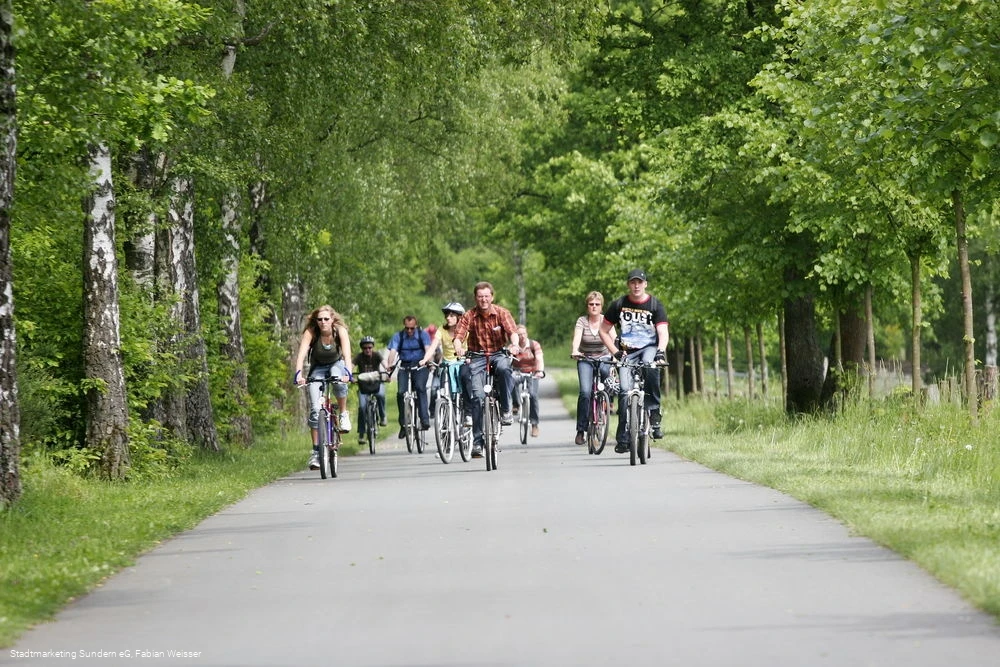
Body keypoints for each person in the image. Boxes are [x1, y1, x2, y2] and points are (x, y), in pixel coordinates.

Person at [599, 269, 669, 453]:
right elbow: (603, 330)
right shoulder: (619, 304)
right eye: (633, 282)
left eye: (640, 282)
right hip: (626, 352)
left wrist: (660, 352)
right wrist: (615, 352)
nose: (636, 285)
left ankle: (654, 412)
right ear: (628, 284)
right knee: (623, 391)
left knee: (650, 365)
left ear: (645, 284)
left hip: (649, 348)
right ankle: (623, 438)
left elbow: (663, 332)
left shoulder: (655, 304)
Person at [452, 282, 520, 458]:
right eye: (480, 296)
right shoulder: (469, 315)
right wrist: (459, 347)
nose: (483, 299)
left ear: (492, 297)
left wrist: (514, 344)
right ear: (476, 298)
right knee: (477, 398)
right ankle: (477, 443)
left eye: (486, 296)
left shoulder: (502, 313)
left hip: (498, 354)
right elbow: (458, 335)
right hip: (477, 357)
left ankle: (506, 409)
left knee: (505, 369)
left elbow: (512, 331)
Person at [293, 304, 353, 470]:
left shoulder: (339, 330)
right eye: (319, 319)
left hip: (336, 364)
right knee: (314, 409)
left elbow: (347, 354)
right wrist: (298, 375)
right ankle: (316, 452)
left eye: (326, 319)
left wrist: (348, 372)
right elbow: (301, 355)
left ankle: (343, 414)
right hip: (318, 368)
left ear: (332, 319)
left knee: (338, 381)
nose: (323, 322)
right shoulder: (311, 332)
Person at [570, 291, 615, 445]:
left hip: (604, 358)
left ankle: (607, 401)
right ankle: (581, 430)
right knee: (585, 392)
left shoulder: (606, 320)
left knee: (607, 375)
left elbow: (614, 340)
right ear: (587, 306)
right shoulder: (582, 321)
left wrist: (616, 355)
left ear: (601, 306)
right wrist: (575, 350)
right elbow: (577, 339)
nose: (594, 307)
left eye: (597, 304)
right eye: (591, 304)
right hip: (585, 359)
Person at [386, 315, 433, 438]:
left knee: (420, 388)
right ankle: (403, 425)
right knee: (401, 393)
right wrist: (390, 366)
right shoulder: (399, 336)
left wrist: (429, 362)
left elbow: (428, 349)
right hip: (404, 366)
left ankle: (424, 420)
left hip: (420, 365)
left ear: (416, 326)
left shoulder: (423, 335)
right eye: (407, 328)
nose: (409, 331)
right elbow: (392, 352)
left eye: (412, 328)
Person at [422, 302, 466, 409]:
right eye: (447, 315)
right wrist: (424, 359)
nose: (448, 318)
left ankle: (467, 413)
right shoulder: (442, 329)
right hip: (446, 366)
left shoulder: (466, 330)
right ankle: (443, 413)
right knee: (442, 390)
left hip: (462, 363)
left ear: (459, 317)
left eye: (451, 315)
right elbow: (433, 347)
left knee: (466, 389)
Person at [510, 324, 545, 437]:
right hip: (517, 371)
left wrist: (540, 371)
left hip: (532, 372)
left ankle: (534, 424)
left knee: (533, 395)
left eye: (523, 334)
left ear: (527, 334)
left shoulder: (534, 345)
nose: (522, 337)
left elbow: (539, 358)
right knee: (511, 380)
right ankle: (516, 404)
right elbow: (508, 360)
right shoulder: (513, 346)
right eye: (519, 335)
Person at [352, 335, 387, 444]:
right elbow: (351, 366)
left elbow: (385, 364)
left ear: (373, 348)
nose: (367, 350)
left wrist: (387, 372)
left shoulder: (377, 355)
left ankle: (382, 416)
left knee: (381, 395)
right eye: (365, 348)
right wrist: (349, 376)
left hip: (376, 383)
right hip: (363, 386)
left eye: (370, 348)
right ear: (362, 349)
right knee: (362, 408)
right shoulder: (359, 357)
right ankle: (362, 434)